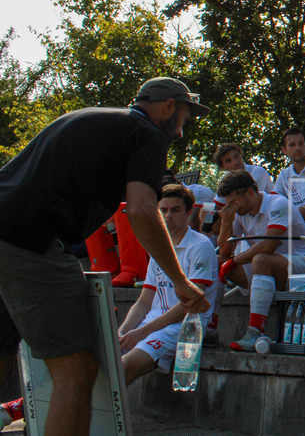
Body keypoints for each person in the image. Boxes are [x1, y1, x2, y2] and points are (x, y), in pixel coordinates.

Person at [0, 76, 210, 435]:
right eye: (184, 118)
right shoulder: (147, 132)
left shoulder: (90, 118)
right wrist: (180, 281)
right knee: (78, 371)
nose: (180, 131)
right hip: (30, 241)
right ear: (169, 107)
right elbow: (142, 210)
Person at [118, 184, 216, 385]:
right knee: (102, 365)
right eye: (163, 210)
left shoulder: (201, 246)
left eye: (175, 210)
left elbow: (191, 304)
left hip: (184, 326)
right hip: (152, 323)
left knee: (123, 368)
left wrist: (142, 332)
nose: (168, 216)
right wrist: (122, 332)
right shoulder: (160, 247)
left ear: (189, 212)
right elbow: (144, 302)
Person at [216, 170, 305, 351]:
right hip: (265, 267)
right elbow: (225, 251)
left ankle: (255, 332)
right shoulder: (239, 211)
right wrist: (226, 222)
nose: (232, 207)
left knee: (261, 259)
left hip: (299, 264)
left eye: (234, 202)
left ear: (250, 192)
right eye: (228, 204)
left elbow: (268, 246)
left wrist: (234, 262)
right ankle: (210, 328)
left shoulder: (278, 203)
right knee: (217, 262)